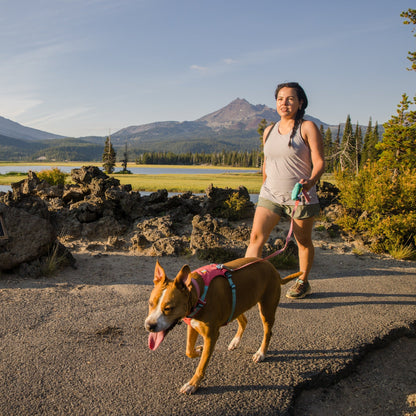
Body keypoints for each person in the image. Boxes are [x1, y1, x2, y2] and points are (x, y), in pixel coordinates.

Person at [245, 82, 325, 299]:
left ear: (300, 102)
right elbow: (267, 163)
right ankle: (248, 283)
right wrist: (264, 186)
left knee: (303, 241)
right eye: (280, 99)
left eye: (290, 99)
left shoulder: (307, 127)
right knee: (255, 238)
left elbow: (319, 162)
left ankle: (302, 281)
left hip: (301, 196)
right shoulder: (269, 131)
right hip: (270, 194)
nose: (284, 103)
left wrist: (310, 181)